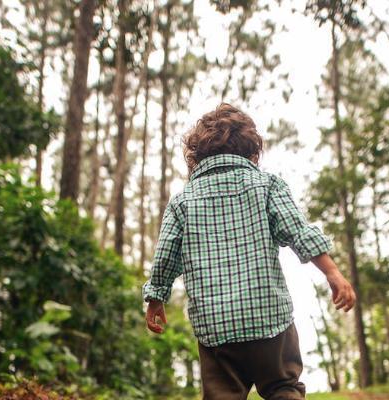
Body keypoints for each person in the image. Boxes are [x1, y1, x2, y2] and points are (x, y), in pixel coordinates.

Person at [142, 103, 356, 400]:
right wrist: (332, 272)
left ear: (196, 155)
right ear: (252, 151)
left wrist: (156, 298)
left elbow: (165, 256)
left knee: (222, 396)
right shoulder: (266, 185)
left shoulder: (183, 202)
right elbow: (298, 231)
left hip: (216, 328)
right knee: (284, 388)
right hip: (268, 318)